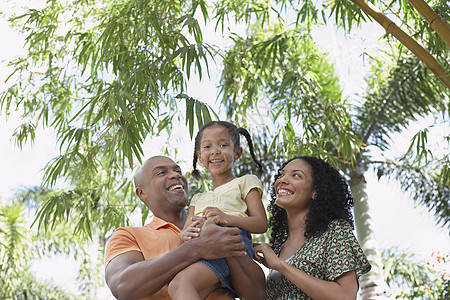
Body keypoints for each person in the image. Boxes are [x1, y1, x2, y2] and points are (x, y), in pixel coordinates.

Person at [104, 155, 266, 300]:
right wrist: (197, 247)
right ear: (141, 193)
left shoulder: (219, 221)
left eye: (178, 170)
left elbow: (257, 295)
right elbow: (123, 286)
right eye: (161, 173)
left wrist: (223, 241)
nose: (176, 175)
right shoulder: (128, 235)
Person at [167, 121, 268, 300]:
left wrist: (226, 218)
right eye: (207, 146)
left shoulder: (245, 182)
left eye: (223, 145)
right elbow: (185, 232)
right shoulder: (197, 198)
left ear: (237, 152)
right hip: (201, 248)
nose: (215, 151)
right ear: (199, 155)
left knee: (181, 284)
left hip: (233, 240)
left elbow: (261, 224)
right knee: (185, 289)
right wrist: (185, 235)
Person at [253, 156, 371, 300]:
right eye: (281, 174)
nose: (282, 180)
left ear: (315, 191)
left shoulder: (334, 231)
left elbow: (345, 296)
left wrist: (280, 265)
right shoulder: (279, 248)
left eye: (296, 175)